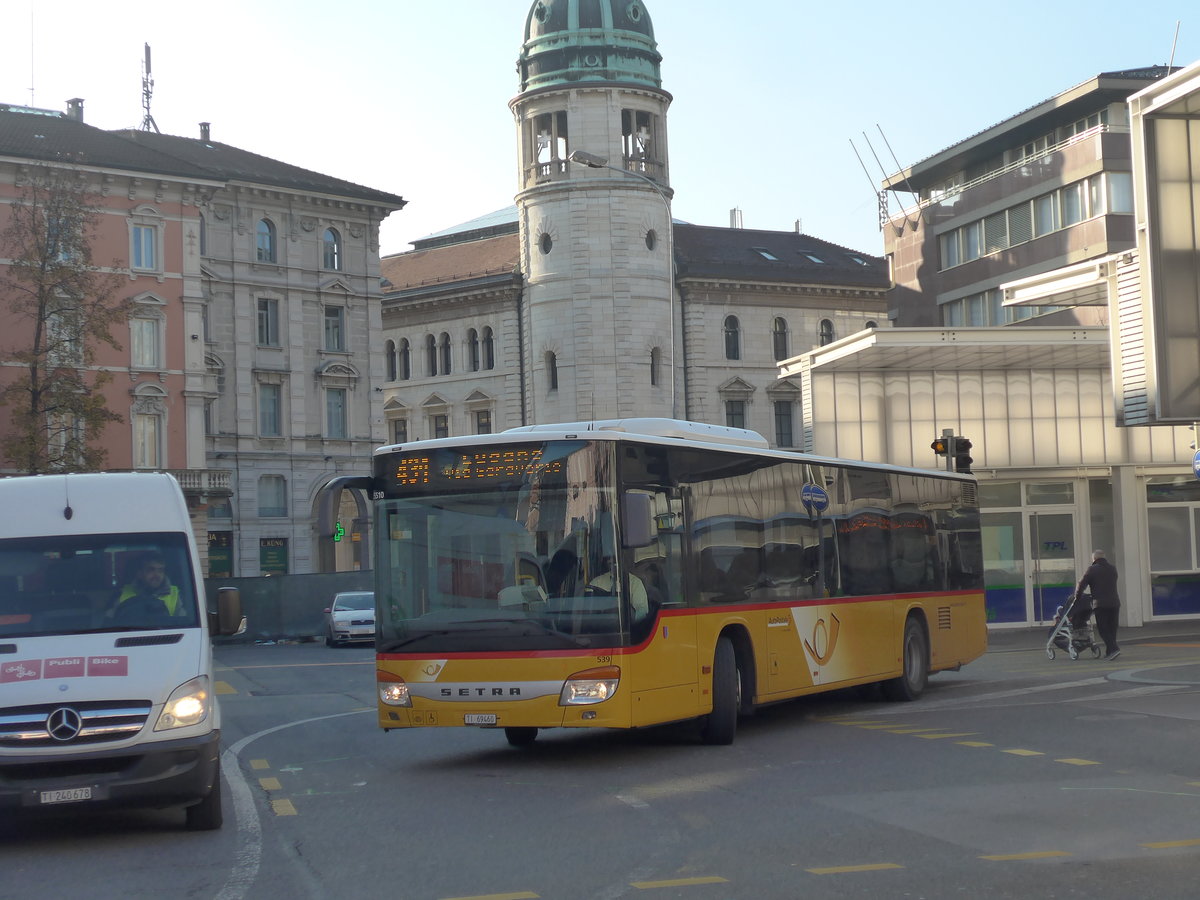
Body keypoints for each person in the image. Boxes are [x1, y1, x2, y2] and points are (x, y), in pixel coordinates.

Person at [111, 551, 185, 620]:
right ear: (139, 574)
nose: (157, 575)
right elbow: (109, 622)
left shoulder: (174, 594)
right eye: (151, 570)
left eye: (160, 570)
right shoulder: (123, 593)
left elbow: (184, 623)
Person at [1075, 549, 1121, 660]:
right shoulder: (1113, 568)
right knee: (1112, 628)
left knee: (1103, 628)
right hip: (1115, 602)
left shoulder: (1092, 570)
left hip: (1100, 604)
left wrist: (1077, 597)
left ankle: (1114, 649)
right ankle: (1110, 652)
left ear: (1094, 559)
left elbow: (1081, 584)